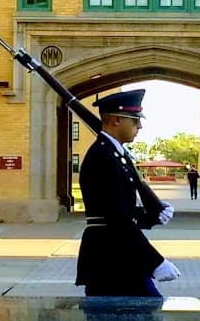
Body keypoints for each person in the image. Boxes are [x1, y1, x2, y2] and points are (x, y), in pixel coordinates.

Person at [75, 88, 179, 297]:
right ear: (116, 120)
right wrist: (155, 262)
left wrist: (151, 216)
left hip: (119, 254)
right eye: (134, 120)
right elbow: (115, 218)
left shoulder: (114, 154)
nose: (139, 126)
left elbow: (119, 209)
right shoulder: (103, 157)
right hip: (109, 258)